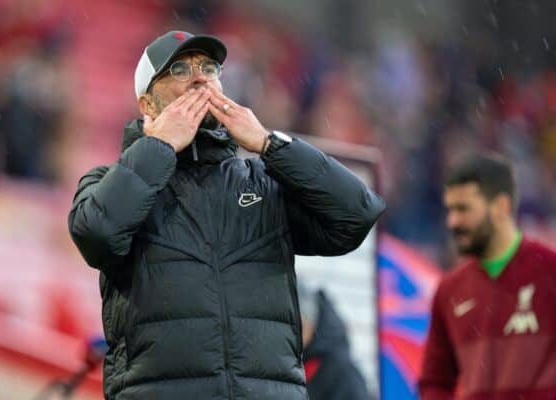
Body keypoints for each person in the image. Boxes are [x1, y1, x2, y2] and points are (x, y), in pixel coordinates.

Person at [68, 30, 385, 400]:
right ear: (147, 105)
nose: (200, 77)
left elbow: (356, 215)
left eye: (209, 67)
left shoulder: (265, 181)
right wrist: (160, 146)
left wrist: (270, 144)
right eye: (180, 70)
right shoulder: (109, 182)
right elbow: (98, 235)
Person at [418, 154, 556, 400]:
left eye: (463, 209)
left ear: (500, 207)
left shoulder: (550, 271)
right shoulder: (449, 290)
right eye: (450, 210)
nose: (453, 221)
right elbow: (434, 382)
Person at [297, 281, 370, 400]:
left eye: (301, 324)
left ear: (312, 323)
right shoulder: (291, 363)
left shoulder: (342, 374)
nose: (295, 333)